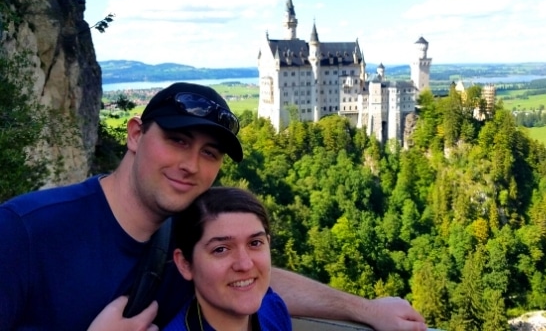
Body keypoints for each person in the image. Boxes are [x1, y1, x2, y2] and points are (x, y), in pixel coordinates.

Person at [0, 82, 427, 331]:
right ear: (134, 135)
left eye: (210, 153)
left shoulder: (184, 238)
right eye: (177, 141)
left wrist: (367, 310)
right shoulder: (26, 231)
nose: (190, 165)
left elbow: (250, 275)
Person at [163, 186, 291, 331]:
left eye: (255, 243)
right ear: (185, 264)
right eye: (221, 249)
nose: (245, 264)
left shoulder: (273, 310)